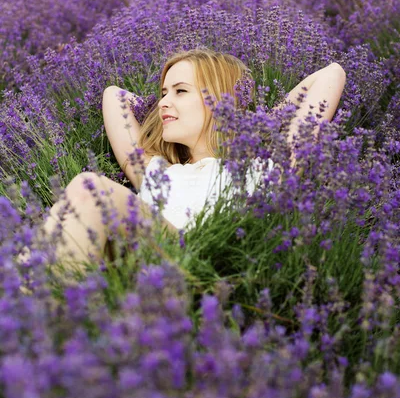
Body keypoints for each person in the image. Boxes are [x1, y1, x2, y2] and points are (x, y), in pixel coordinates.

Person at [26, 48, 346, 267]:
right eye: (163, 93)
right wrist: (167, 105)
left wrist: (253, 120)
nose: (165, 101)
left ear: (223, 100)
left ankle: (24, 310)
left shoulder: (268, 167)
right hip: (148, 261)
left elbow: (331, 75)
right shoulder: (157, 171)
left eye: (180, 91)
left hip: (201, 264)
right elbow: (115, 95)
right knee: (84, 197)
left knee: (89, 190)